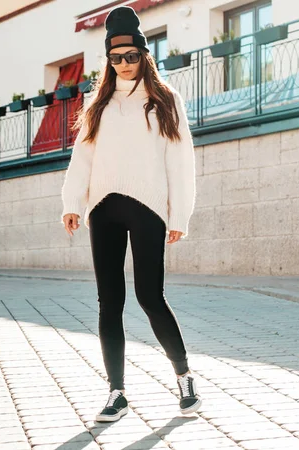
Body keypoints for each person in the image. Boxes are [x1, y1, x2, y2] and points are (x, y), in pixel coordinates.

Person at [60, 6, 200, 422]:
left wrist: (180, 216)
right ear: (109, 59)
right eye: (115, 57)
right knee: (109, 302)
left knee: (149, 296)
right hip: (103, 208)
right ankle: (116, 393)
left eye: (131, 56)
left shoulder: (164, 100)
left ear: (144, 55)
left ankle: (184, 377)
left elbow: (180, 159)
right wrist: (72, 203)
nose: (123, 64)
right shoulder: (97, 103)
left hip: (148, 208)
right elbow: (81, 158)